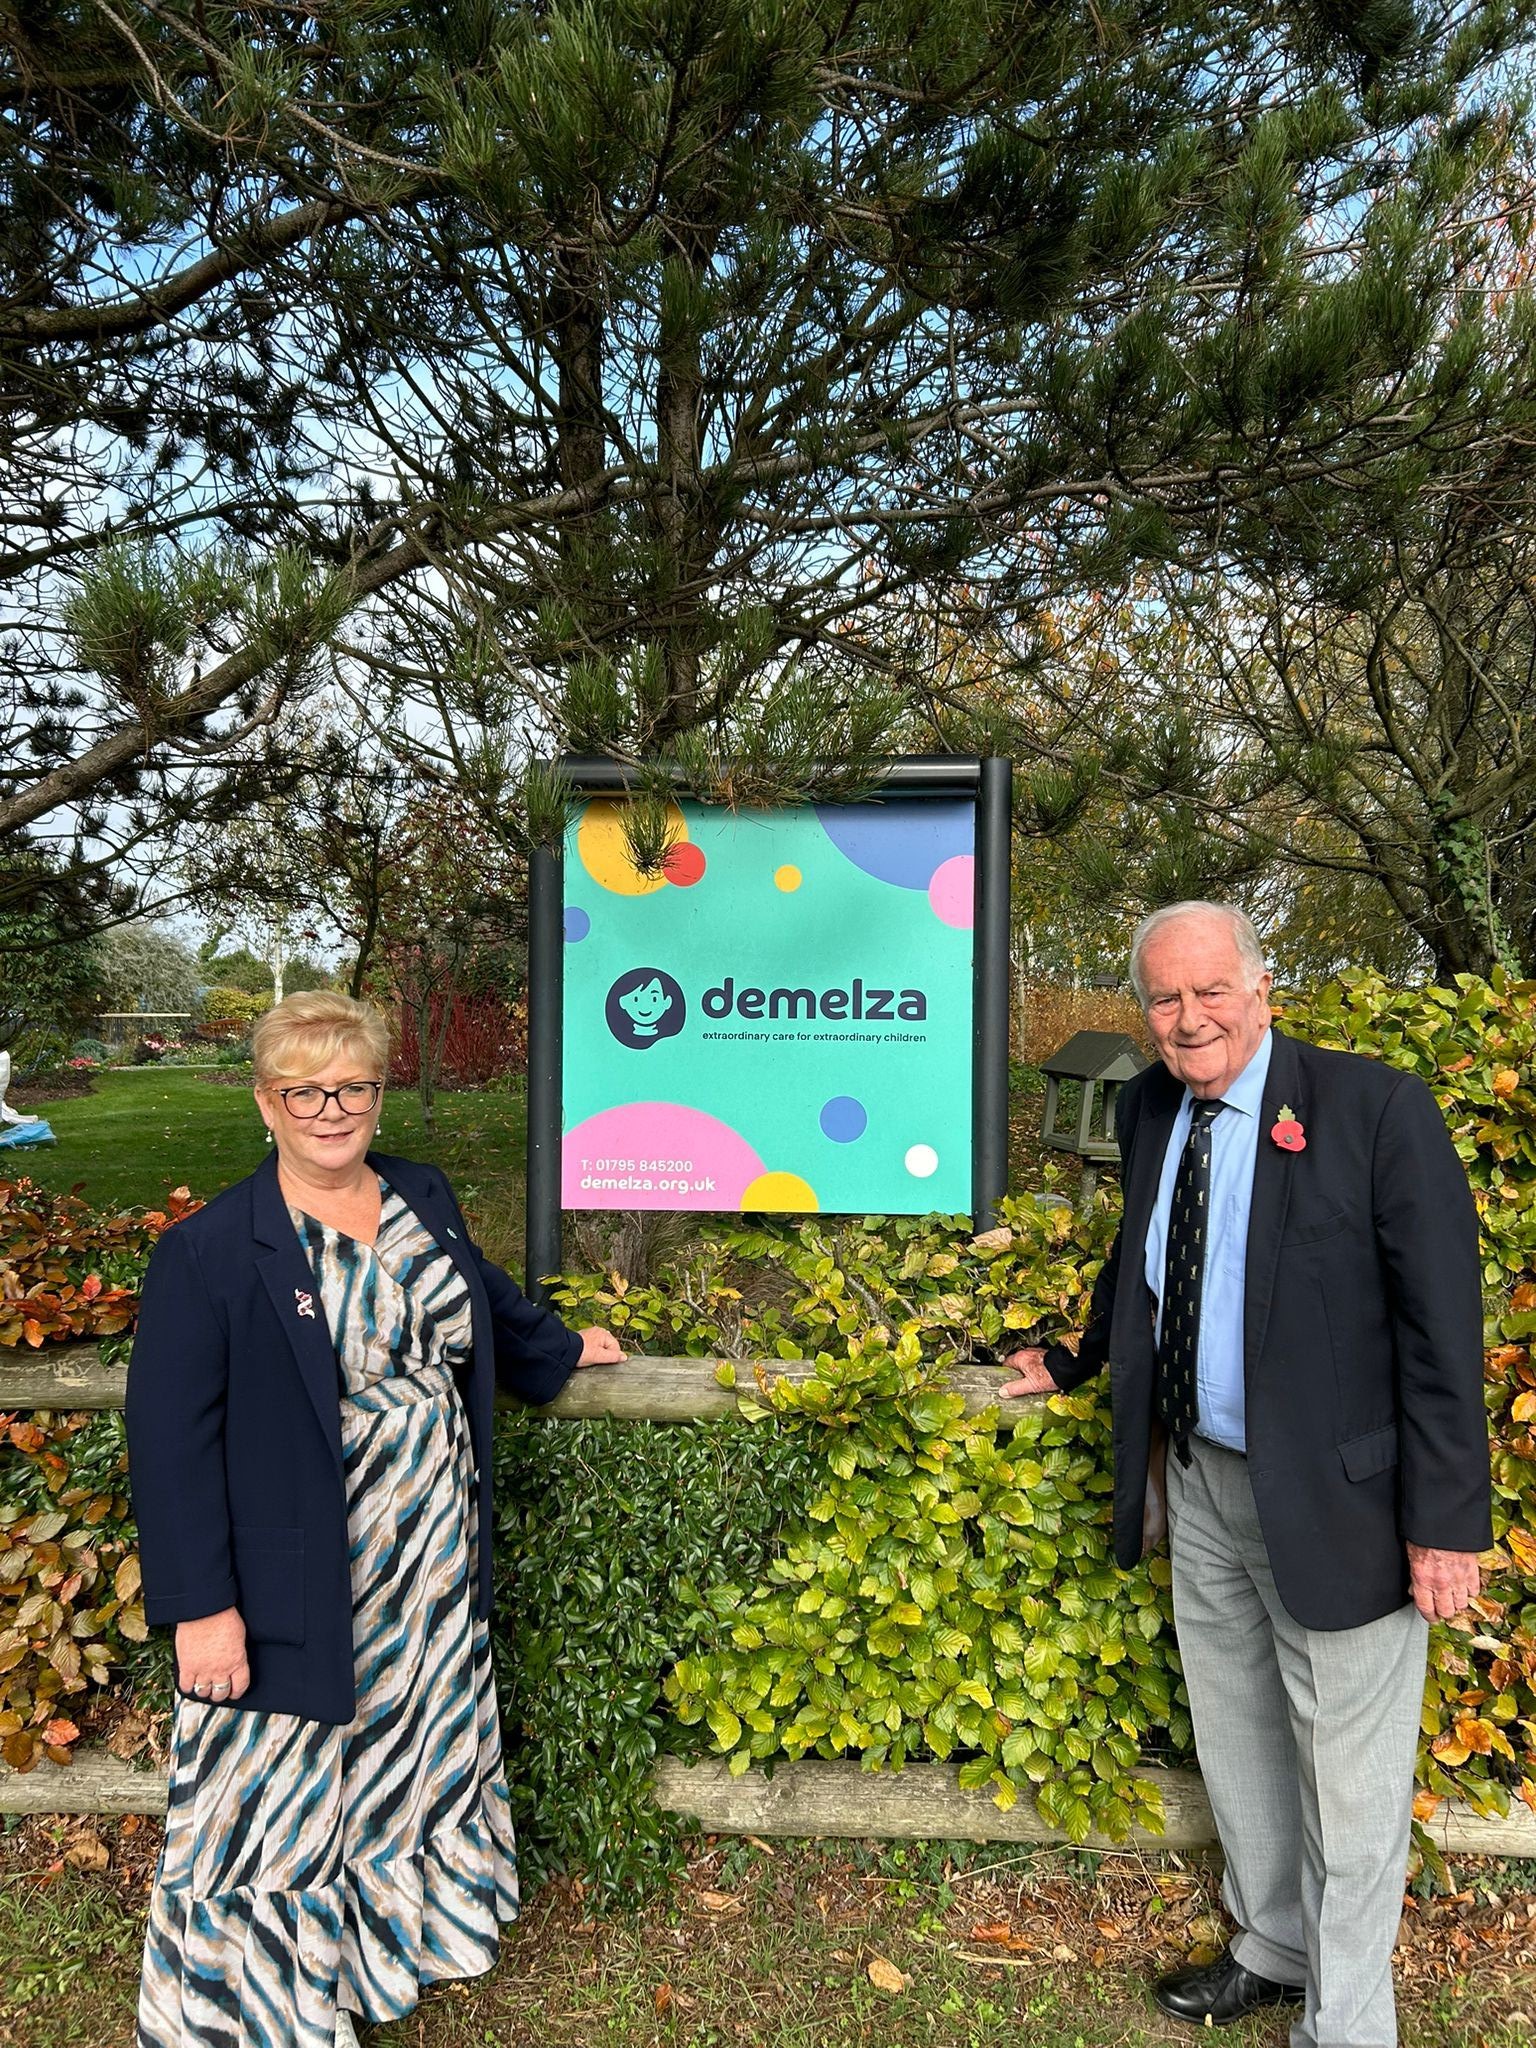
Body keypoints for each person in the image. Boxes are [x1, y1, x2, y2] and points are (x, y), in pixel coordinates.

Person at [1001, 903, 1491, 2048]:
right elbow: (1145, 1247)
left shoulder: (1373, 1110)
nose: (1190, 1017)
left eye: (1211, 990)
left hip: (1344, 1499)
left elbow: (1441, 1329)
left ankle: (1349, 2023)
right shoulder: (1148, 1103)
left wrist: (1445, 1522)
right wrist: (1077, 1354)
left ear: (1264, 987)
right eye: (1165, 998)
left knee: (1353, 1784)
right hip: (1205, 1480)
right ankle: (1272, 1945)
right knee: (1238, 1731)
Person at [126, 991, 627, 2048]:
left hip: (429, 1551)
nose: (331, 1108)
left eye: (352, 1085)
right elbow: (169, 1448)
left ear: (377, 1092)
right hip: (303, 1562)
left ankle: (399, 1940)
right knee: (274, 1776)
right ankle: (253, 1998)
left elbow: (475, 1297)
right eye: (304, 1089)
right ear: (265, 1102)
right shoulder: (210, 1251)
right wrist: (201, 1609)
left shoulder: (420, 1191)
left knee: (413, 1745)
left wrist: (560, 1348)